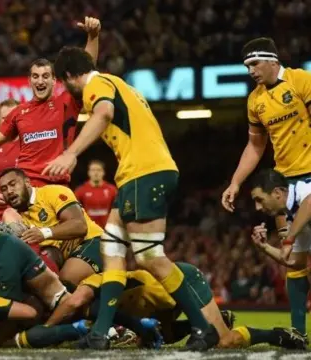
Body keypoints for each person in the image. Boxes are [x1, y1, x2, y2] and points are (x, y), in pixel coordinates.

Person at [43, 46, 217, 351]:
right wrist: (94, 38)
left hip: (143, 173)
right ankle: (99, 333)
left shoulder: (97, 86)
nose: (64, 90)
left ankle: (203, 327)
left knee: (150, 256)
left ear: (69, 76)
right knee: (111, 251)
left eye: (62, 81)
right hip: (140, 175)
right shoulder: (114, 82)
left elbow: (104, 112)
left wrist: (71, 154)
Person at [221, 37, 311, 338]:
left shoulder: (300, 80)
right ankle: (299, 331)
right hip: (284, 188)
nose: (251, 71)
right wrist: (235, 181)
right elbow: (255, 146)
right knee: (295, 263)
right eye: (247, 66)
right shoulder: (255, 100)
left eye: (255, 64)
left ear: (272, 60)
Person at [16, 262, 306, 350]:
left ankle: (276, 335)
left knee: (224, 342)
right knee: (154, 341)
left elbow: (74, 302)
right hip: (162, 305)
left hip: (182, 281)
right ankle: (212, 320)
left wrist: (47, 329)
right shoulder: (94, 309)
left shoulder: (91, 285)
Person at [0, 17, 101, 188]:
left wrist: (93, 37)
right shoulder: (18, 112)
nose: (40, 81)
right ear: (29, 81)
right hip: (28, 188)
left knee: (74, 216)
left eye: (45, 76)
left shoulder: (67, 102)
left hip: (58, 186)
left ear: (54, 80)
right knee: (10, 215)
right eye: (35, 77)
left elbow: (84, 71)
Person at [0, 168, 103, 287]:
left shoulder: (52, 192)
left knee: (63, 285)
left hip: (92, 241)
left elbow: (80, 225)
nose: (9, 191)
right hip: (64, 257)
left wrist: (44, 233)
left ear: (27, 182)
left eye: (13, 184)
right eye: (4, 189)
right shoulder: (18, 219)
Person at [249, 169, 311, 340]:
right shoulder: (295, 217)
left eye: (259, 200)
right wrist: (265, 247)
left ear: (277, 193)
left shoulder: (303, 189)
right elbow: (295, 262)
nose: (258, 207)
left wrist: (289, 240)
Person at [74, 160, 117, 228]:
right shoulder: (80, 190)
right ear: (89, 172)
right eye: (93, 170)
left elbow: (117, 209)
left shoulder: (112, 189)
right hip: (89, 228)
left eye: (99, 170)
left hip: (107, 228)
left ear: (103, 172)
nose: (96, 173)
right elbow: (76, 211)